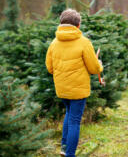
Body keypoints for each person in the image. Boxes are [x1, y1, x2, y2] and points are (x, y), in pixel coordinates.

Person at [45, 9, 103, 157]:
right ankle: (70, 154)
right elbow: (93, 68)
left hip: (62, 89)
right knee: (75, 121)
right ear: (78, 25)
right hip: (78, 90)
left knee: (69, 114)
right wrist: (99, 65)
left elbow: (49, 68)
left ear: (61, 24)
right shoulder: (84, 42)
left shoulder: (54, 43)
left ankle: (64, 148)